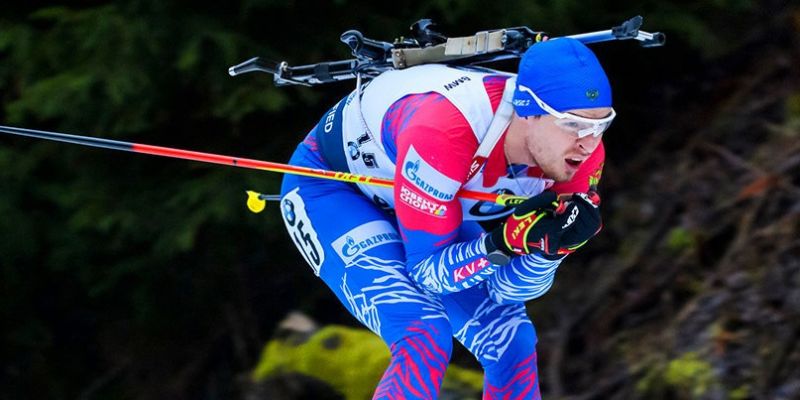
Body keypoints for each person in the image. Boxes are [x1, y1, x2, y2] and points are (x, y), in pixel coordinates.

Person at [279, 37, 611, 399]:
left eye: (601, 126)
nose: (589, 143)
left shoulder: (579, 158)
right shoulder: (447, 130)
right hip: (333, 189)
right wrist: (502, 244)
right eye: (573, 125)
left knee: (511, 340)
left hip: (428, 199)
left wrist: (548, 252)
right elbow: (429, 274)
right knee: (423, 334)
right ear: (529, 112)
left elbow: (506, 291)